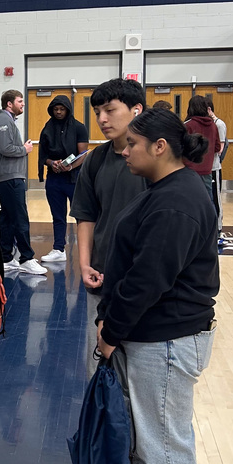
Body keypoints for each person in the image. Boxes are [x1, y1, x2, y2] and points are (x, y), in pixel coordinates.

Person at [95, 107, 219, 464]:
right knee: (144, 442)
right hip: (150, 338)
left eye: (133, 144)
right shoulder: (166, 191)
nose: (124, 152)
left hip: (165, 340)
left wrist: (110, 331)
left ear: (159, 147)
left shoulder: (177, 202)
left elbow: (149, 280)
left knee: (164, 447)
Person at [69, 78, 148, 333]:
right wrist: (84, 265)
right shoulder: (96, 160)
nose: (102, 119)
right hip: (102, 278)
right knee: (100, 363)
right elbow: (86, 215)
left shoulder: (156, 160)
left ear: (136, 109)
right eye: (97, 112)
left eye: (110, 110)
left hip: (145, 282)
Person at [0, 89, 46, 276]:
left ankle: (5, 257)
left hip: (9, 175)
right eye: (20, 101)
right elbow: (6, 149)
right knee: (20, 217)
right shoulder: (3, 121)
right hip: (9, 176)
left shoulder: (6, 121)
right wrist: (25, 149)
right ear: (9, 104)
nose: (23, 104)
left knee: (7, 217)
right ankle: (26, 258)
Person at [36, 95, 88, 263]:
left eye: (61, 109)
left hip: (74, 178)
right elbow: (43, 155)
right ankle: (59, 249)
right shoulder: (47, 128)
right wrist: (53, 163)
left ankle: (87, 250)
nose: (58, 112)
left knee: (81, 215)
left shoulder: (79, 128)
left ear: (68, 110)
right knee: (58, 216)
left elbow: (83, 154)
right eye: (55, 109)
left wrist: (70, 166)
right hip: (54, 178)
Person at [183, 96, 221, 205]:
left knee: (189, 201)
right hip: (207, 170)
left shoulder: (188, 125)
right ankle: (210, 222)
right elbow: (217, 147)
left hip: (189, 169)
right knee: (208, 200)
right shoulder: (213, 125)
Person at [207, 98, 228, 233]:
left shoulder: (219, 124)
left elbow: (220, 147)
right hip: (205, 166)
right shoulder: (207, 124)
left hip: (214, 165)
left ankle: (219, 226)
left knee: (216, 196)